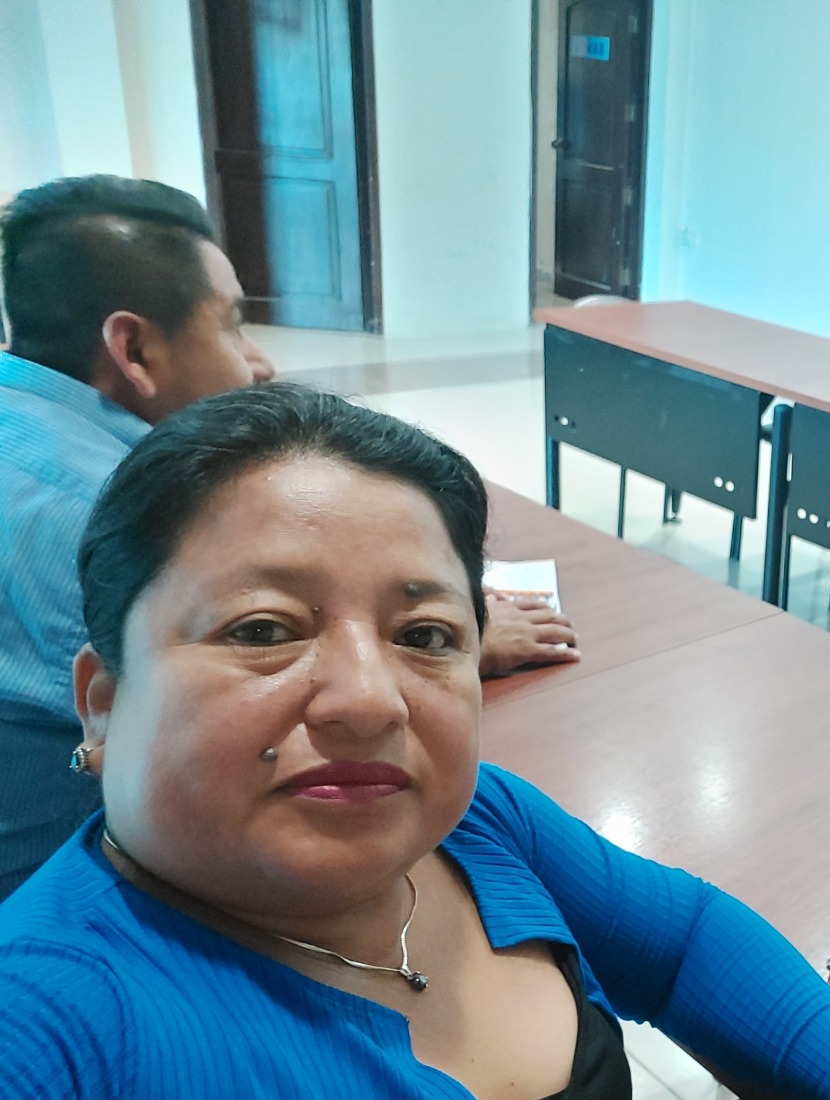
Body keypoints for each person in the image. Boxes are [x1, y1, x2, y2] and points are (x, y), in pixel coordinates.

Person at [0, 384, 830, 1100]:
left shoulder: (478, 824)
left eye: (424, 635)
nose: (369, 699)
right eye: (264, 629)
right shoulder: (56, 1018)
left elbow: (684, 939)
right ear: (102, 704)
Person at [0, 175, 575, 897]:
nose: (260, 363)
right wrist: (451, 640)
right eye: (232, 325)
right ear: (134, 348)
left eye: (425, 635)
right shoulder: (93, 508)